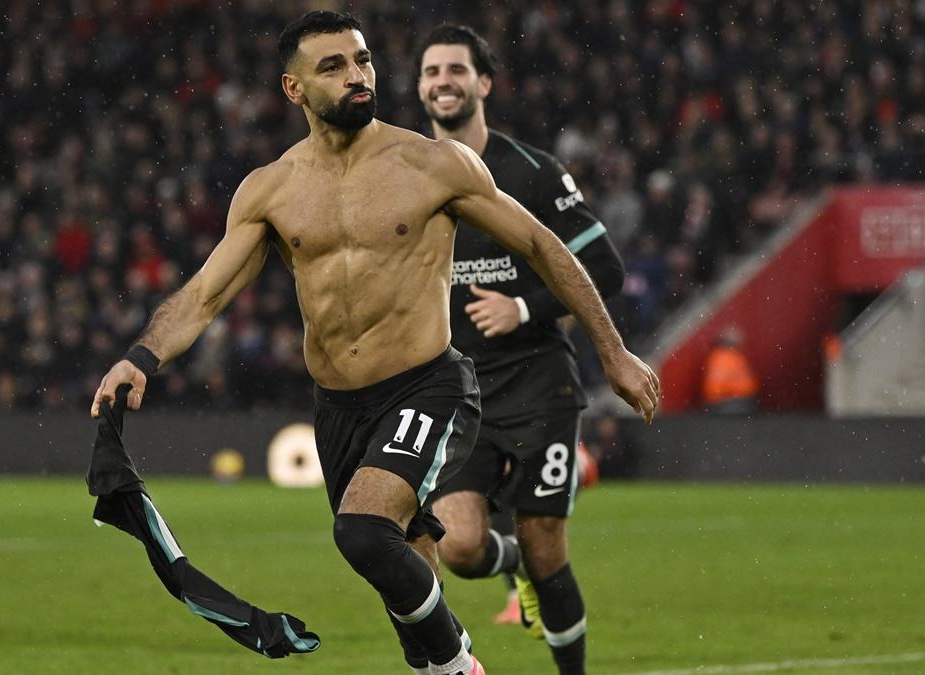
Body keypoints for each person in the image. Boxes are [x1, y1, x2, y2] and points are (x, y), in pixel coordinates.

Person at [90, 11, 660, 675]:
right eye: (333, 66)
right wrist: (142, 355)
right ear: (293, 89)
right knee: (406, 581)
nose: (357, 75)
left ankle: (463, 666)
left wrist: (613, 352)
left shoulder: (433, 164)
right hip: (338, 408)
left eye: (362, 60)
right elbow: (206, 293)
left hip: (429, 385)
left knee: (362, 531)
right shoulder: (269, 190)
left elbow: (541, 243)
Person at [415, 24, 627, 674]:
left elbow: (607, 269)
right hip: (458, 394)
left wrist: (526, 305)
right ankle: (512, 565)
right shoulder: (402, 177)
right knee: (460, 548)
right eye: (430, 72)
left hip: (537, 382)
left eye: (456, 69)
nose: (442, 81)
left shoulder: (532, 171)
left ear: (483, 83)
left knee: (546, 547)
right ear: (420, 89)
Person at [701, 326, 759, 414]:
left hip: (736, 400)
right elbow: (714, 388)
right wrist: (739, 390)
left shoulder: (733, 356)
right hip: (725, 402)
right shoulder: (722, 357)